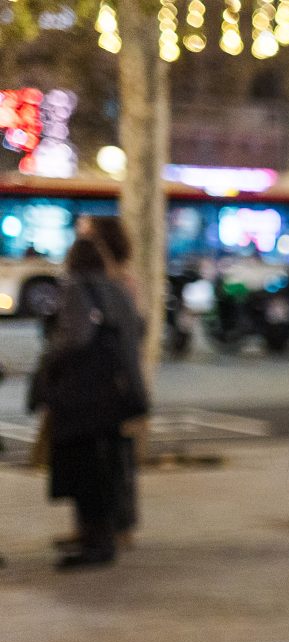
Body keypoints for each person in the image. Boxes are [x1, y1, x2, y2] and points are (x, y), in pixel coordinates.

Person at [27, 235, 147, 570]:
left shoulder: (76, 287)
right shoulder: (117, 289)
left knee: (84, 468)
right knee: (106, 466)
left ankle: (95, 541)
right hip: (116, 394)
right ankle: (103, 534)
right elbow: (138, 327)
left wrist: (49, 363)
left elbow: (74, 337)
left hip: (83, 400)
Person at [75, 214, 144, 550]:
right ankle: (95, 525)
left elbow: (129, 337)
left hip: (114, 382)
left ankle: (120, 526)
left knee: (116, 455)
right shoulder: (96, 278)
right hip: (100, 382)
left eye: (88, 234)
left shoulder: (119, 282)